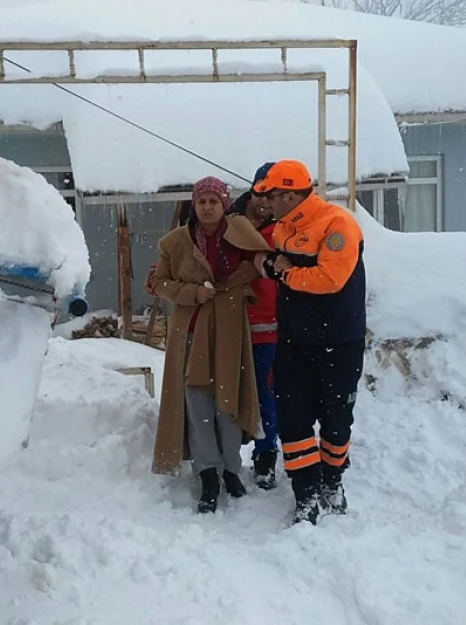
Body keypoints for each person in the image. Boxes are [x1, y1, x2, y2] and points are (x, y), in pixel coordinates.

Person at [251, 159, 366, 525]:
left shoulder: (338, 224)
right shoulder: (284, 227)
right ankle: (305, 492)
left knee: (336, 420)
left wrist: (285, 272)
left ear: (290, 195)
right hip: (294, 343)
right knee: (293, 421)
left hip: (338, 342)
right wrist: (275, 266)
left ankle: (332, 481)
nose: (265, 202)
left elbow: (328, 279)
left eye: (270, 195)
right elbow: (278, 264)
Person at [148, 176, 271, 514]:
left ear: (223, 203)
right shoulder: (174, 242)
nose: (206, 207)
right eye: (201, 201)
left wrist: (235, 282)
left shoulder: (241, 233)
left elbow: (261, 261)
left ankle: (231, 469)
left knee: (228, 400)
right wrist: (192, 293)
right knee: (197, 402)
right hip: (190, 330)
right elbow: (158, 282)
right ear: (194, 204)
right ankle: (208, 473)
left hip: (230, 329)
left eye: (213, 201)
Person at [226, 162, 281, 489]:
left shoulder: (286, 229)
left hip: (271, 330)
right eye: (262, 190)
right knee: (228, 397)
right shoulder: (229, 224)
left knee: (266, 397)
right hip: (232, 328)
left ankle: (265, 456)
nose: (265, 200)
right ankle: (226, 459)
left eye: (273, 194)